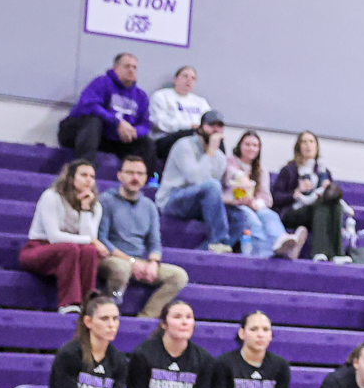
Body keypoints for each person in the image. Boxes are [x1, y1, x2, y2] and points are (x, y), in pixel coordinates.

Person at [95, 155, 189, 318]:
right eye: (130, 172)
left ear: (146, 177)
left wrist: (153, 262)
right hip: (112, 259)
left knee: (179, 276)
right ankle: (110, 312)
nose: (135, 177)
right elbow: (102, 239)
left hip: (139, 260)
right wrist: (131, 261)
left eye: (140, 174)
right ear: (120, 175)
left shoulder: (149, 206)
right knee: (122, 269)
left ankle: (147, 317)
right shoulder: (106, 200)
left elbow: (154, 242)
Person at [20, 160, 103, 313]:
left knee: (89, 251)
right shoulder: (51, 196)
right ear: (71, 178)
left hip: (73, 251)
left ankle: (87, 304)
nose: (88, 180)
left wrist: (85, 209)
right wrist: (90, 240)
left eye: (92, 176)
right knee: (70, 248)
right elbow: (54, 237)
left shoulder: (95, 206)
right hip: (39, 248)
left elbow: (90, 238)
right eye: (83, 175)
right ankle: (69, 303)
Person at [156, 111, 236, 253]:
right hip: (172, 199)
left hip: (197, 202)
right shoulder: (184, 145)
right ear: (200, 128)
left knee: (238, 215)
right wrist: (210, 151)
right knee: (212, 186)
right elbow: (197, 179)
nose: (216, 130)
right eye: (211, 125)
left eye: (219, 126)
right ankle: (219, 241)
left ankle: (204, 250)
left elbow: (214, 189)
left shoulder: (219, 156)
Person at [57, 53, 155, 169]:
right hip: (79, 132)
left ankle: (144, 180)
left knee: (146, 143)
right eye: (127, 66)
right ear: (115, 68)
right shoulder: (101, 82)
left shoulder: (140, 96)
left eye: (134, 67)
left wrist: (134, 131)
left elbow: (145, 124)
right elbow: (89, 106)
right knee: (93, 121)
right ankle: (85, 169)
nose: (131, 70)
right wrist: (117, 122)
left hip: (113, 140)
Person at [272, 131, 351, 263]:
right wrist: (295, 193)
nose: (308, 146)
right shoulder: (289, 170)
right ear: (298, 147)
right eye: (304, 142)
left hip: (317, 210)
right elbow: (276, 197)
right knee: (320, 205)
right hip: (293, 212)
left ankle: (338, 253)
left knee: (334, 205)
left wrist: (328, 190)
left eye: (311, 142)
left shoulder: (324, 172)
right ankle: (319, 251)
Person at [226, 130, 303, 258]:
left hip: (254, 206)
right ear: (240, 145)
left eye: (255, 145)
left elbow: (267, 199)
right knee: (253, 221)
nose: (251, 148)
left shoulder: (261, 170)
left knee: (269, 215)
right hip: (233, 206)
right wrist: (243, 186)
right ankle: (262, 255)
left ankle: (283, 242)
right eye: (247, 144)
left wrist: (256, 202)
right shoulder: (230, 161)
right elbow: (231, 179)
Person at [148, 65, 212, 165]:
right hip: (167, 139)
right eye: (185, 76)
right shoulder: (161, 96)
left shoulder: (201, 102)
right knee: (188, 134)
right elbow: (159, 122)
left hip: (196, 140)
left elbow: (210, 122)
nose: (189, 80)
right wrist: (188, 126)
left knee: (216, 140)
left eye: (193, 78)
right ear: (175, 79)